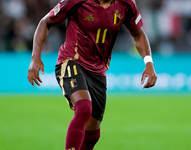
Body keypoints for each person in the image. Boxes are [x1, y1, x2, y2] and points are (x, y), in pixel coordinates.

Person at [27, 0, 157, 149]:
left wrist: (149, 63)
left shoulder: (126, 4)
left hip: (98, 70)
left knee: (93, 134)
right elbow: (45, 22)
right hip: (72, 60)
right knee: (83, 108)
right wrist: (35, 58)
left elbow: (138, 34)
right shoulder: (76, 1)